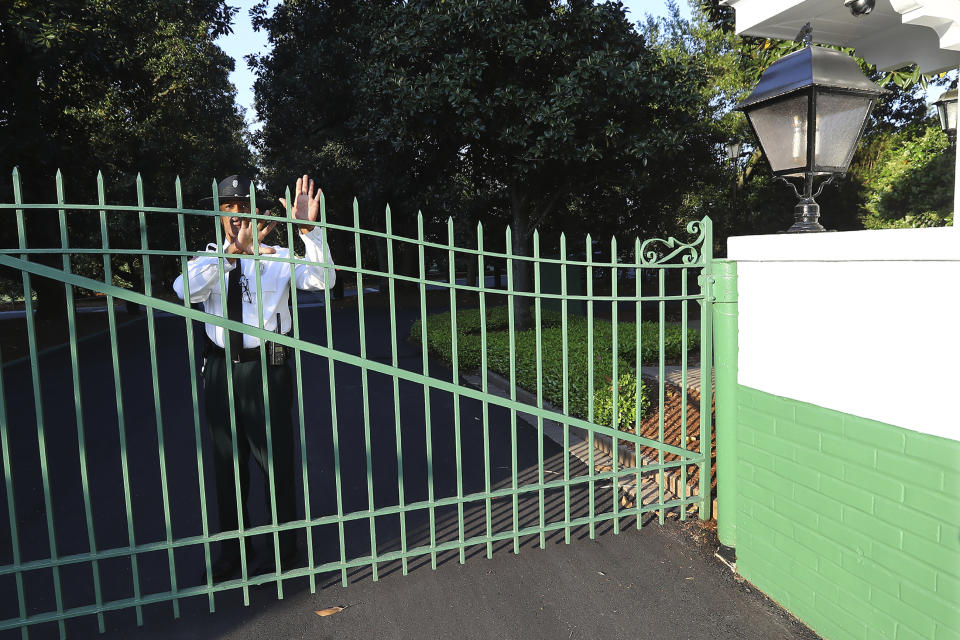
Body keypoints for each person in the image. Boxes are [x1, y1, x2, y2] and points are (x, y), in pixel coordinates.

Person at [173, 174, 335, 582]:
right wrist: (231, 256)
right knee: (227, 464)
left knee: (274, 461)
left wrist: (310, 233)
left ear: (257, 212)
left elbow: (322, 280)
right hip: (221, 371)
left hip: (268, 369)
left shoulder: (279, 256)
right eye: (226, 209)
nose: (233, 216)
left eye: (240, 208)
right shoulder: (209, 259)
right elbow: (183, 291)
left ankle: (285, 547)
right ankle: (233, 549)